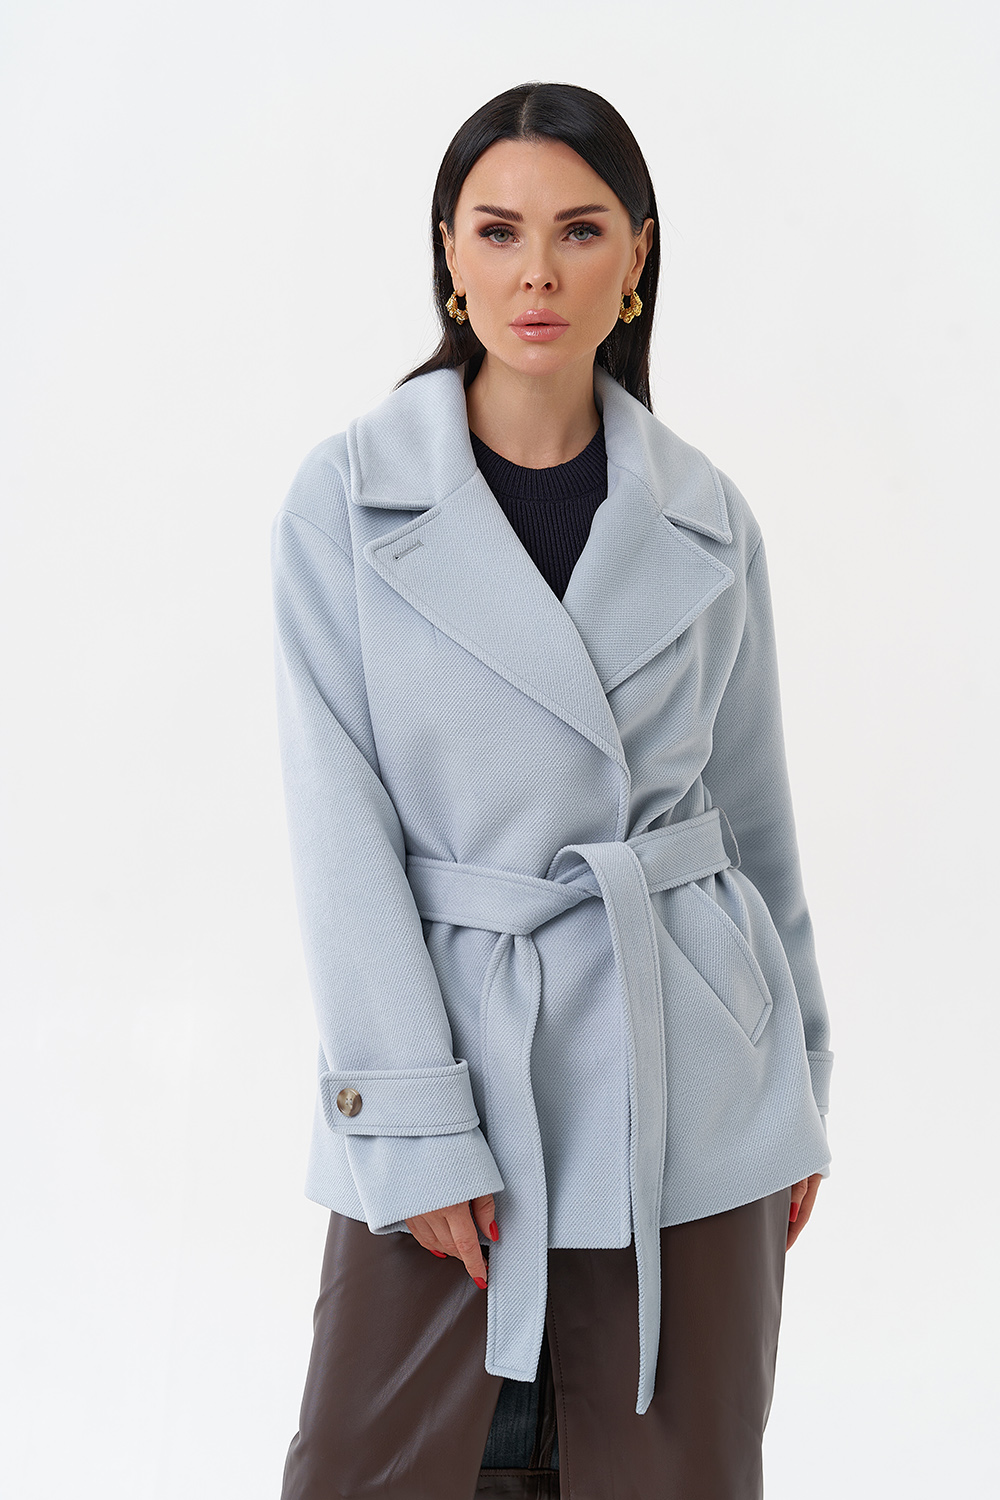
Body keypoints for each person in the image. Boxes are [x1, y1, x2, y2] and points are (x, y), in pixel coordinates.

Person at [270, 80, 834, 1500]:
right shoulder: (349, 501)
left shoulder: (707, 516)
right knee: (367, 1467)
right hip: (457, 1065)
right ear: (448, 256)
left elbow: (753, 825)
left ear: (636, 257)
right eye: (499, 230)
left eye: (580, 231)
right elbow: (339, 832)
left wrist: (799, 1086)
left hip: (689, 1095)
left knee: (679, 1475)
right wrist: (415, 1121)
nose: (538, 272)